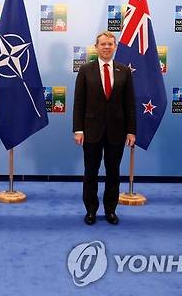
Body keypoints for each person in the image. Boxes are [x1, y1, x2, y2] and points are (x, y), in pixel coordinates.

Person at [72, 31, 136, 226]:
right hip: (91, 130)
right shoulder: (85, 70)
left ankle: (110, 210)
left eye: (110, 44)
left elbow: (130, 104)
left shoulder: (124, 71)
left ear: (115, 47)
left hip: (117, 131)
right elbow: (79, 102)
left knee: (113, 173)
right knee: (90, 172)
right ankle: (91, 210)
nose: (107, 47)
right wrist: (78, 129)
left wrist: (131, 130)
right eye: (103, 44)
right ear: (96, 47)